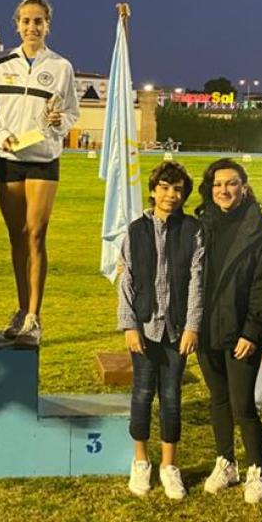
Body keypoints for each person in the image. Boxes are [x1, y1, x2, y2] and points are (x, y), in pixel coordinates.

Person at [0, 0, 80, 347]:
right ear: (17, 24)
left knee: (36, 234)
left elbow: (71, 111)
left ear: (48, 25)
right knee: (16, 238)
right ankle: (21, 308)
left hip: (42, 157)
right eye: (26, 21)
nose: (32, 27)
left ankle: (34, 319)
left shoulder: (61, 67)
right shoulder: (0, 62)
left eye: (38, 21)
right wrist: (1, 137)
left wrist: (59, 123)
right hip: (9, 158)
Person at [193, 158, 262, 504]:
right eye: (217, 185)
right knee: (218, 400)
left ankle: (258, 470)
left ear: (244, 187)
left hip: (241, 330)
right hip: (206, 329)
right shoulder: (200, 224)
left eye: (231, 183)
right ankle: (226, 461)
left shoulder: (258, 228)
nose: (224, 190)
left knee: (243, 404)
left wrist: (252, 330)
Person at [117, 160, 203, 500]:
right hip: (144, 326)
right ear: (153, 191)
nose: (171, 195)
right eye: (165, 188)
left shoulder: (193, 230)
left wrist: (193, 326)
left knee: (171, 397)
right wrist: (129, 326)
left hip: (178, 328)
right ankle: (141, 461)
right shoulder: (136, 230)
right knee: (142, 394)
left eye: (178, 189)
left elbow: (198, 280)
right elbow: (128, 280)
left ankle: (169, 465)